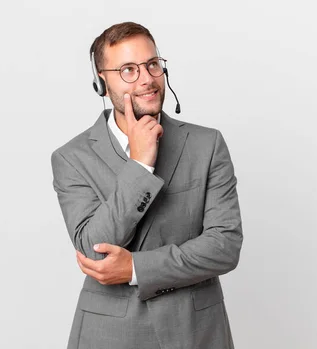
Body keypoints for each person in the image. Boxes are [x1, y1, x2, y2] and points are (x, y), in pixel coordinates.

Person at [51, 21, 243, 349]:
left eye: (152, 64)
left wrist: (136, 267)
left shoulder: (206, 144)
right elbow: (93, 250)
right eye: (128, 69)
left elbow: (224, 246)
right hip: (110, 335)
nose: (146, 79)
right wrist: (140, 165)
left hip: (196, 331)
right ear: (102, 81)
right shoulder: (72, 158)